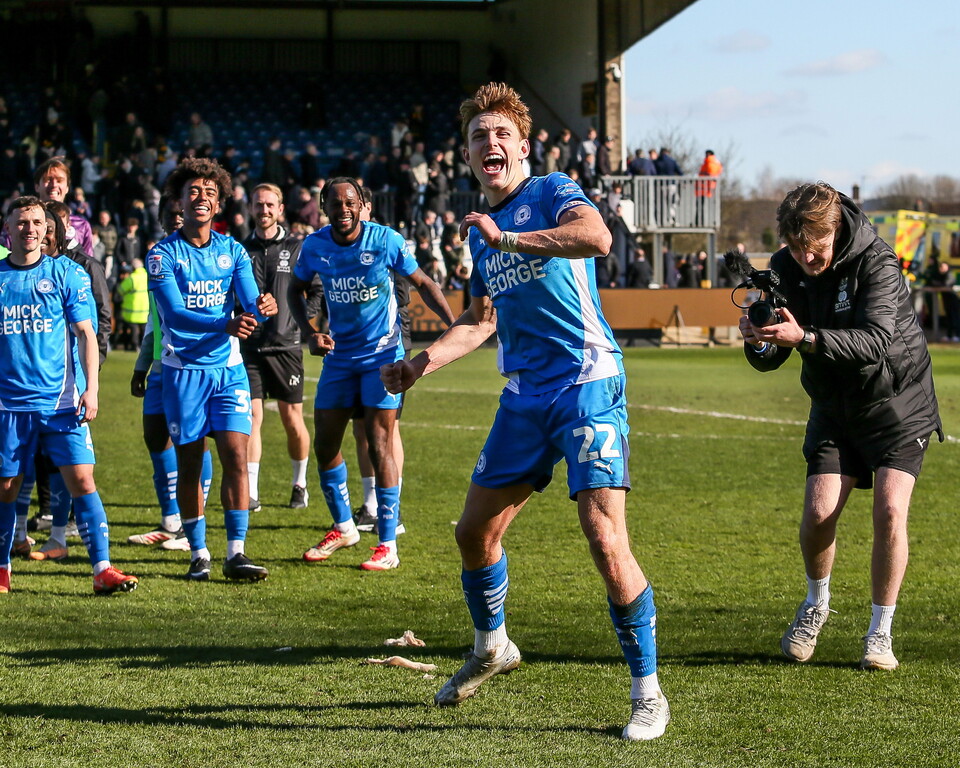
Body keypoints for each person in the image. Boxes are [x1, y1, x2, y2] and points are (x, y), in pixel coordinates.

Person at [380, 82, 670, 741]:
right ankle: (492, 646)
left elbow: (596, 237)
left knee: (603, 535)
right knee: (472, 533)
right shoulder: (481, 236)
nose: (492, 144)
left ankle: (648, 693)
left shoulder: (552, 191)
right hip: (524, 397)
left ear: (523, 145)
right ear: (466, 154)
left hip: (586, 381)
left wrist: (511, 241)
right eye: (479, 137)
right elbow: (479, 322)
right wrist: (417, 366)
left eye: (502, 134)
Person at [737, 182, 941, 671]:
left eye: (817, 247)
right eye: (797, 247)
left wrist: (802, 337)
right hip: (834, 406)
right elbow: (769, 359)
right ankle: (816, 603)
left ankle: (880, 632)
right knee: (818, 515)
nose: (808, 257)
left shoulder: (879, 263)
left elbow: (872, 341)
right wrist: (760, 340)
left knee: (890, 512)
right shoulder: (786, 267)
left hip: (899, 404)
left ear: (835, 230)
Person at [287, 177, 455, 571]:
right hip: (339, 359)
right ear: (325, 208)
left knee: (380, 444)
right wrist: (310, 333)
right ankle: (345, 527)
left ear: (362, 204)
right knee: (326, 445)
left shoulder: (386, 241)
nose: (343, 209)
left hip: (383, 357)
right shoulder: (314, 246)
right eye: (335, 203)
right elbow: (295, 290)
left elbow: (424, 282)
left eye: (350, 202)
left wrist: (455, 326)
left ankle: (386, 544)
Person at [147, 157, 278, 582]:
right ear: (179, 202)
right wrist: (226, 322)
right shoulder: (162, 254)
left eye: (209, 192)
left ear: (219, 204)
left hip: (228, 369)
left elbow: (249, 298)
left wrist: (262, 306)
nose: (200, 198)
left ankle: (235, 553)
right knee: (190, 462)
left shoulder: (233, 251)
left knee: (236, 457)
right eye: (193, 192)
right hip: (183, 370)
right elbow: (174, 313)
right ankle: (198, 553)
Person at [0, 196, 138, 594]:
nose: (29, 229)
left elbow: (86, 334)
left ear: (48, 229)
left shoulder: (66, 273)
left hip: (61, 403)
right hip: (9, 405)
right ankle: (2, 569)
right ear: (7, 229)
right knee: (7, 488)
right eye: (21, 222)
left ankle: (103, 570)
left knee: (82, 479)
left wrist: (91, 388)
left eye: (36, 222)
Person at [128, 195, 213, 551]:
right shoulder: (159, 258)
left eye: (183, 213)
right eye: (172, 215)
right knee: (155, 436)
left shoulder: (209, 255)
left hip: (196, 364)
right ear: (163, 220)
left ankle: (191, 519)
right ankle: (170, 520)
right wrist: (141, 365)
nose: (179, 219)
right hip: (163, 364)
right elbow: (155, 319)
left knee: (193, 441)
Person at [240, 183, 321, 511]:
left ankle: (300, 484)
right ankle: (251, 492)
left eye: (270, 205)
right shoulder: (238, 249)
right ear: (250, 209)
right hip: (250, 347)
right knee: (252, 417)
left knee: (292, 419)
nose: (264, 210)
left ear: (280, 209)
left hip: (286, 347)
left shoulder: (298, 247)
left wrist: (300, 323)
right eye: (258, 205)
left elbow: (316, 291)